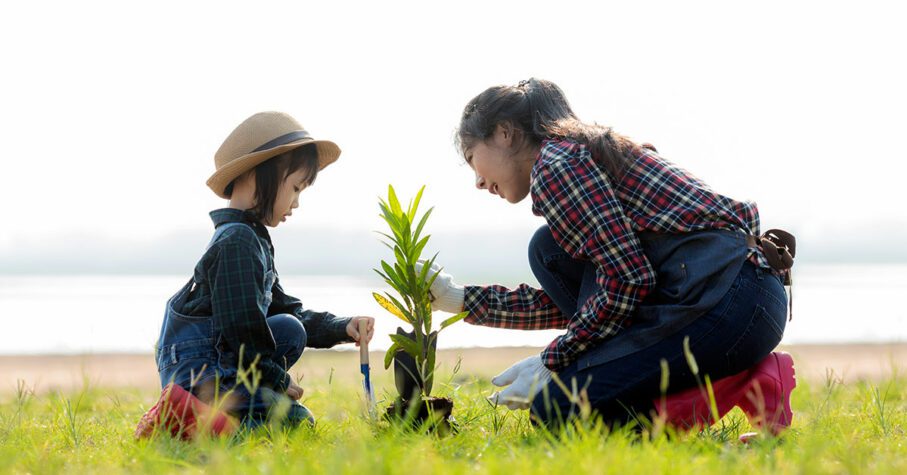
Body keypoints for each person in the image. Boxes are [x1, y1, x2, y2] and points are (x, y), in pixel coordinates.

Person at [422, 79, 796, 434]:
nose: (478, 182)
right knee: (547, 250)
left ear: (505, 133)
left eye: (473, 159)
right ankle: (745, 376)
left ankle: (740, 385)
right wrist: (459, 300)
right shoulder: (574, 156)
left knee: (557, 410)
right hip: (742, 298)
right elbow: (596, 299)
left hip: (728, 301)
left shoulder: (557, 166)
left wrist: (551, 361)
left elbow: (628, 280)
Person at [137, 112, 375, 438]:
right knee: (297, 421)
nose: (296, 203)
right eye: (295, 188)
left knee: (289, 329)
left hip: (223, 367)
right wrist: (279, 380)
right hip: (206, 377)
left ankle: (215, 414)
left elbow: (285, 312)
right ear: (257, 175)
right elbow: (242, 332)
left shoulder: (252, 238)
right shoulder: (237, 240)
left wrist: (341, 327)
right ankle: (188, 419)